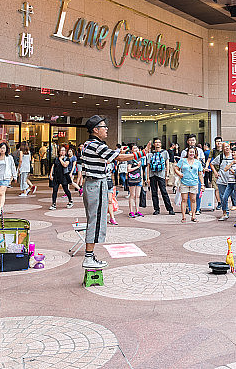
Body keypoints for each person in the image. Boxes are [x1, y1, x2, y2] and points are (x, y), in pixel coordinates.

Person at [76, 115, 135, 269]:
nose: (106, 129)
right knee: (96, 221)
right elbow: (119, 158)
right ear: (96, 130)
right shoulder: (96, 145)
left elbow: (109, 156)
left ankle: (90, 255)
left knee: (94, 220)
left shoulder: (89, 144)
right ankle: (88, 257)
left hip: (92, 184)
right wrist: (142, 154)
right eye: (103, 126)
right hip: (96, 184)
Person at [174, 146, 204, 223]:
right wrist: (179, 173)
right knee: (184, 200)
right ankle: (183, 217)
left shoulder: (198, 162)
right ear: (187, 153)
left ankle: (193, 216)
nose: (191, 153)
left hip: (194, 183)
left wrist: (203, 184)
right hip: (184, 183)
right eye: (190, 152)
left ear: (195, 153)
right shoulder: (183, 160)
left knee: (193, 200)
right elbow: (176, 168)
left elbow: (200, 174)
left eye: (193, 152)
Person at [147, 138, 175, 216]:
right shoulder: (150, 154)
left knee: (164, 192)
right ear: (154, 144)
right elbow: (148, 166)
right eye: (156, 142)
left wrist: (167, 175)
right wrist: (147, 177)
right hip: (152, 175)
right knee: (154, 193)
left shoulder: (165, 152)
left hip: (161, 175)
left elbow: (167, 164)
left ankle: (170, 209)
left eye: (159, 142)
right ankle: (156, 209)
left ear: (161, 144)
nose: (157, 144)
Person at [215, 143, 236, 221]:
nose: (232, 154)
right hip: (228, 182)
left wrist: (234, 172)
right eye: (232, 152)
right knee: (224, 197)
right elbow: (225, 169)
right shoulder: (223, 158)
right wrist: (232, 163)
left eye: (234, 152)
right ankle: (225, 213)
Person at [185, 135, 206, 215]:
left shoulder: (200, 151)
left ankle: (198, 209)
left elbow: (203, 161)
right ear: (187, 141)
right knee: (189, 193)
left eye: (193, 140)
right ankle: (190, 209)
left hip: (197, 174)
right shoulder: (185, 151)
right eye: (190, 140)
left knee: (198, 192)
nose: (191, 142)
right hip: (188, 176)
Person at [48, 145, 73, 210]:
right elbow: (53, 166)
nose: (62, 152)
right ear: (59, 152)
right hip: (56, 176)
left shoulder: (67, 159)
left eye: (64, 150)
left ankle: (70, 200)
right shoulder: (55, 159)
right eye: (61, 150)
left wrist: (61, 159)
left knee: (66, 190)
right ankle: (53, 204)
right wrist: (50, 174)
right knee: (55, 190)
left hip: (64, 176)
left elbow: (65, 165)